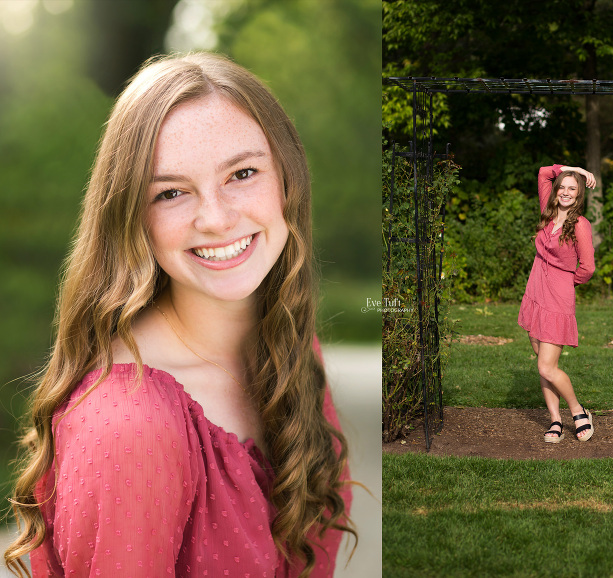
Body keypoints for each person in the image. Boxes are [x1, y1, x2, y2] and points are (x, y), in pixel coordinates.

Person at [5, 52, 355, 577]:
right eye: (170, 192)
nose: (215, 218)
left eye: (242, 173)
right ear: (131, 218)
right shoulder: (129, 426)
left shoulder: (289, 340)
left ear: (288, 176)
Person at [517, 164, 597, 444]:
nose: (564, 192)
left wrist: (566, 282)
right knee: (542, 362)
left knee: (546, 367)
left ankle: (578, 411)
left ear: (578, 196)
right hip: (535, 290)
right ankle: (555, 419)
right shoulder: (547, 212)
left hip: (558, 296)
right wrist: (575, 169)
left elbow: (587, 268)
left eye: (572, 189)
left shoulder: (580, 225)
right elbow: (542, 172)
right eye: (562, 187)